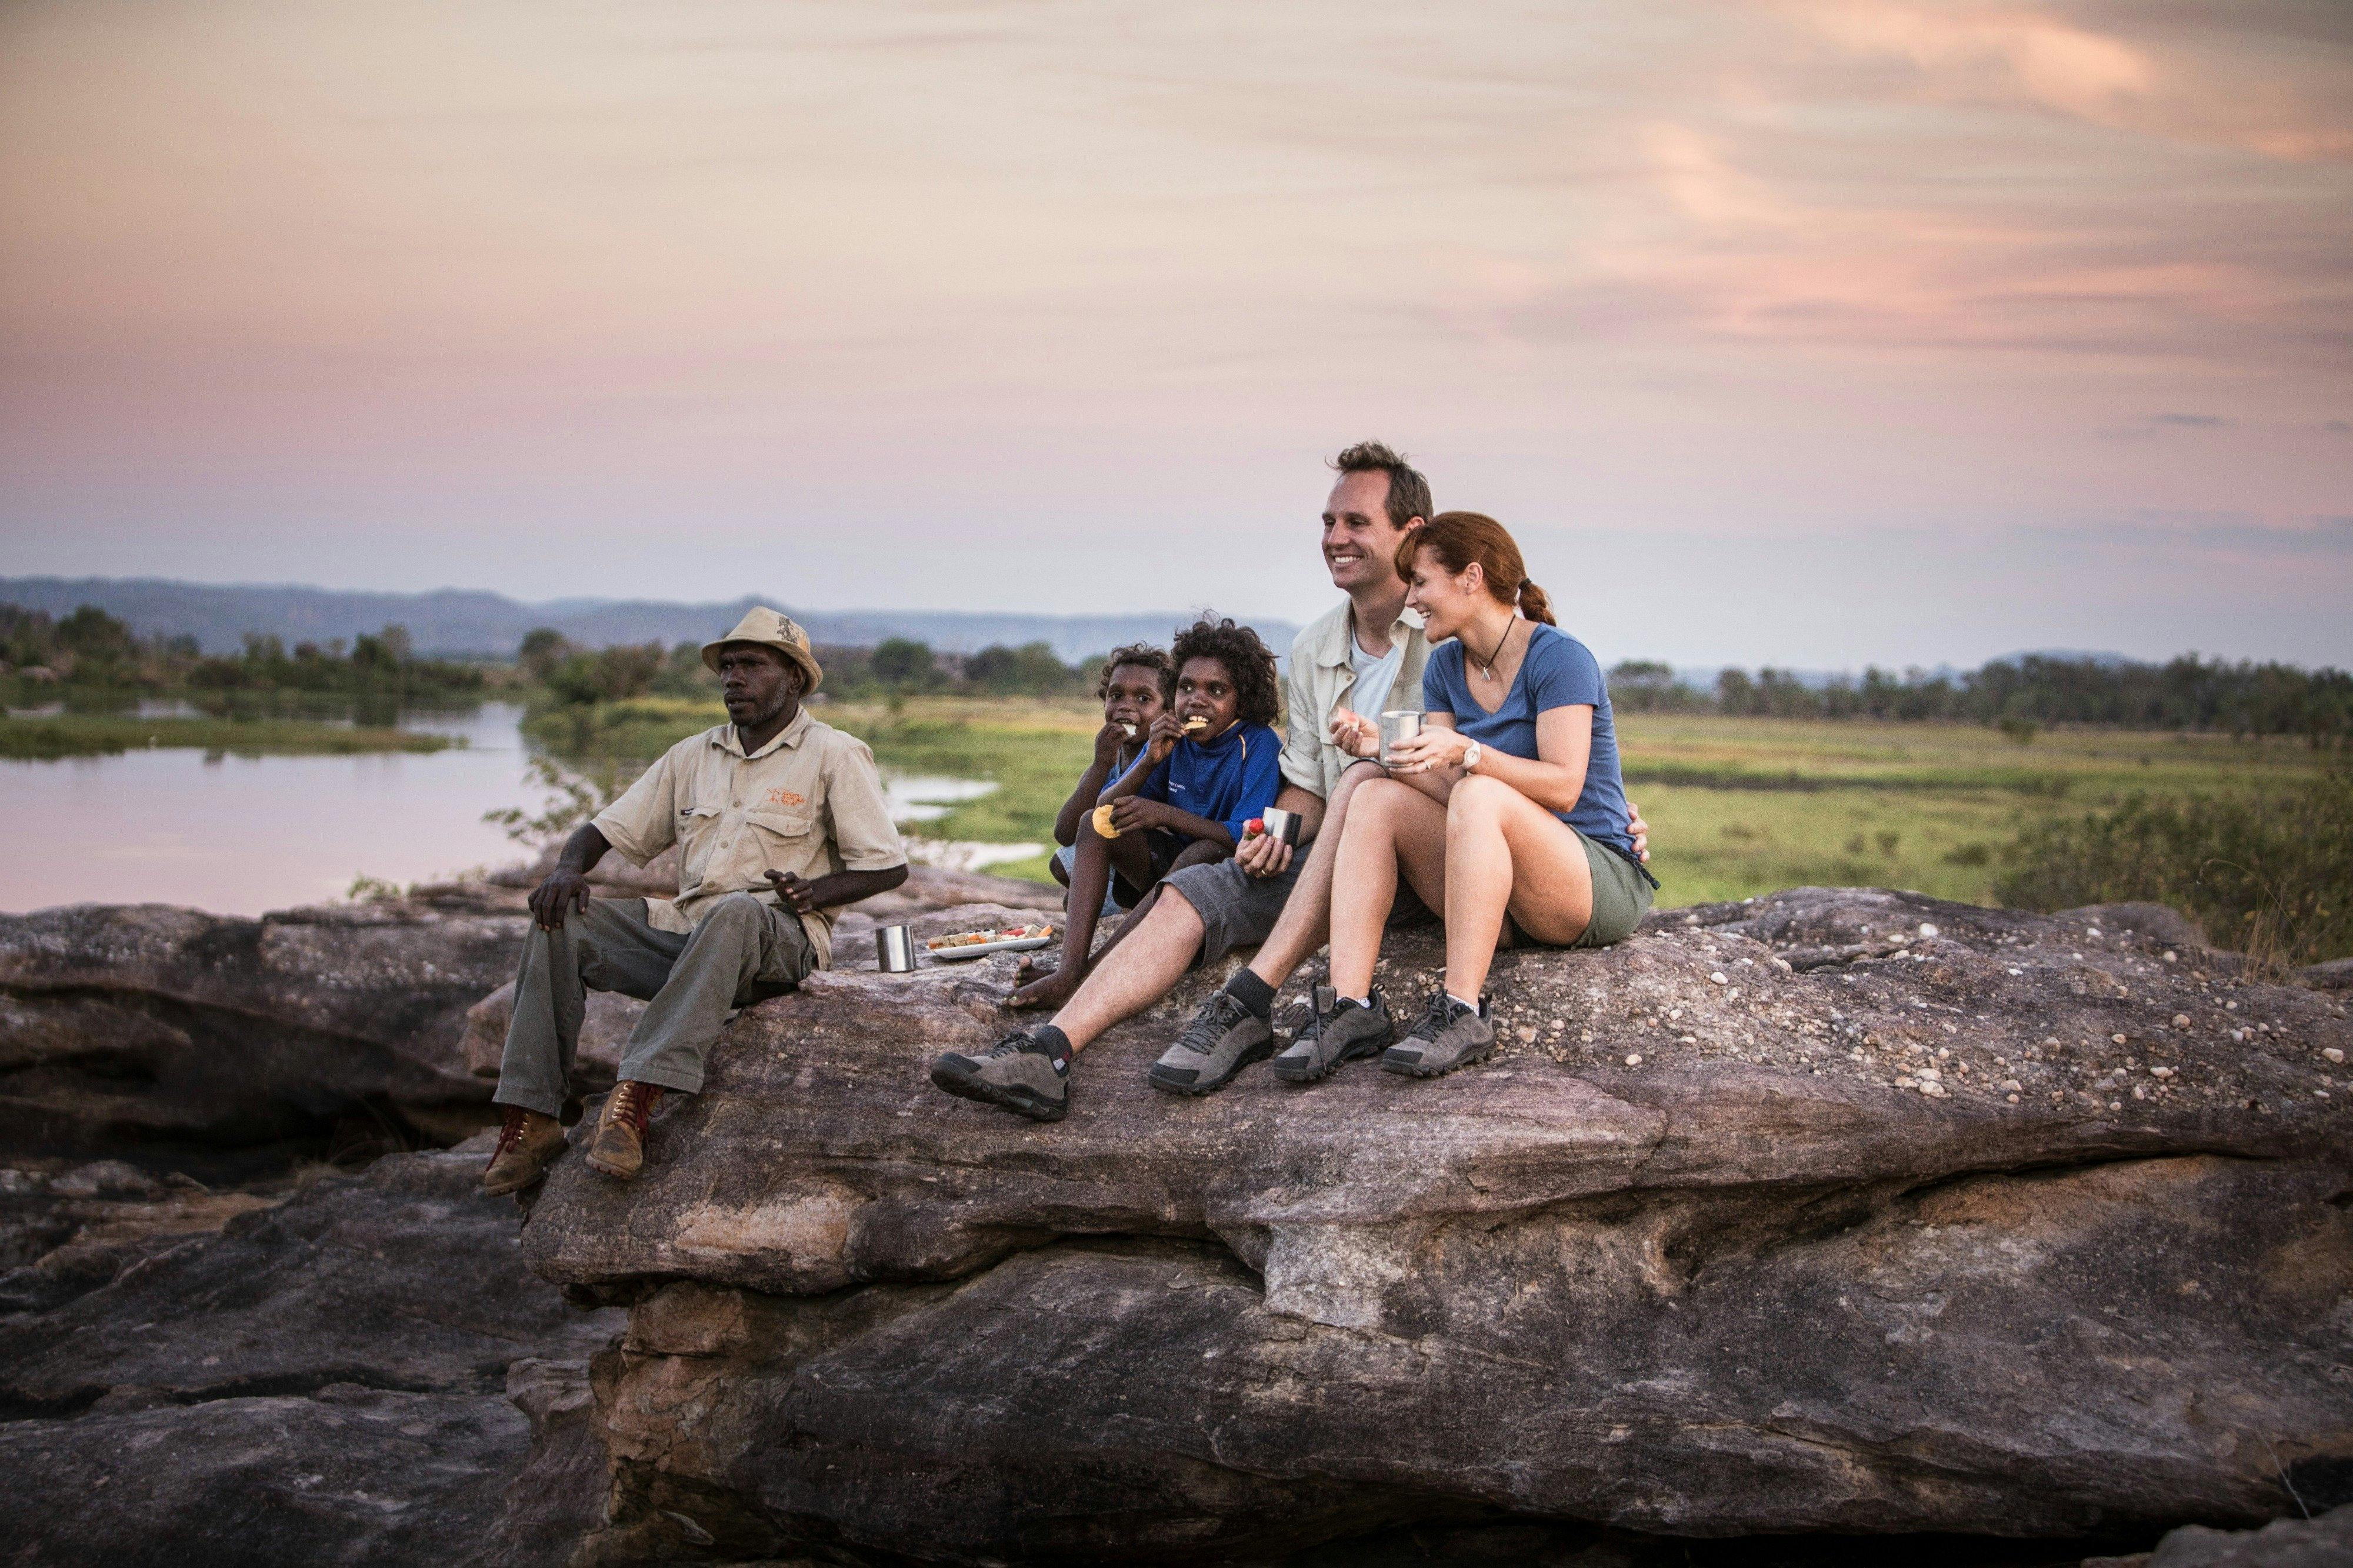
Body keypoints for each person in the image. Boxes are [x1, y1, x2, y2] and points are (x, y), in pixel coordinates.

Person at [925, 441, 1651, 1123]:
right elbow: (1312, 785)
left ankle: (1264, 997)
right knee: (1207, 883)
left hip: (1449, 859)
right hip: (1363, 844)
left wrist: (1594, 809)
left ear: (1412, 535)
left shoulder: (1453, 631)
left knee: (1375, 781)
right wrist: (1270, 831)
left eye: (1355, 521)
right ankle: (1049, 1050)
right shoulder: (1320, 650)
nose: (1334, 536)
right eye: (1328, 521)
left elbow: (1541, 771)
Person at [479, 608, 908, 1193]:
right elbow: (601, 832)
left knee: (736, 910)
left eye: (752, 665)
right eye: (727, 666)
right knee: (561, 922)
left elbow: (887, 864)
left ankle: (636, 1096)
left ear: (793, 678)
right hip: (689, 937)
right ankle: (532, 1119)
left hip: (778, 945)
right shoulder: (691, 755)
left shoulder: (834, 753)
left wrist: (815, 892)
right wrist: (564, 869)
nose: (734, 677)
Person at [1307, 511, 1656, 1079]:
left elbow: (1565, 786)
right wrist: (1382, 748)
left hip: (1589, 878)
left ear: (1472, 577)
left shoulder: (1561, 658)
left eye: (1420, 582)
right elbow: (1444, 787)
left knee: (1480, 793)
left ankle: (1462, 1008)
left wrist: (1466, 752)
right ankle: (1349, 1006)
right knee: (1375, 795)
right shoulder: (1445, 664)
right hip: (1503, 890)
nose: (1411, 599)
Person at [998, 616, 1283, 1016]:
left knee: (1201, 850)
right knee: (1093, 825)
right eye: (1186, 688)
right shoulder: (1176, 739)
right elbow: (1103, 812)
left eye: (1215, 690)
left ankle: (1091, 974)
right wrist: (1150, 760)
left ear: (1244, 698)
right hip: (1165, 871)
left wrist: (1163, 813)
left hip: (1218, 878)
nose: (1196, 700)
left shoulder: (1256, 743)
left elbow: (1246, 835)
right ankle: (1069, 969)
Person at [1038, 645, 1172, 930]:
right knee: (1061, 865)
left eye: (1144, 698)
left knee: (1077, 893)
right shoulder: (1111, 755)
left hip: (1156, 863)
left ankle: (1131, 908)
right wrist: (1100, 765)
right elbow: (1065, 832)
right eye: (1116, 695)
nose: (1126, 705)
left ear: (1168, 710)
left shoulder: (1164, 753)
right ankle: (1116, 905)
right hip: (1117, 858)